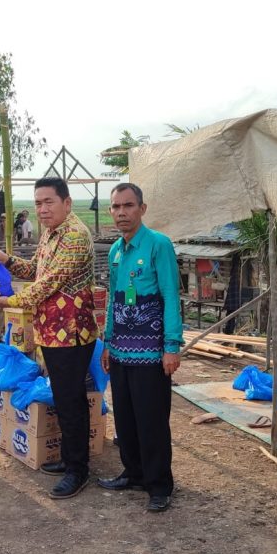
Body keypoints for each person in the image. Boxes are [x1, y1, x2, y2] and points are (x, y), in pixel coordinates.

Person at [0, 177, 99, 499]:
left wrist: (8, 301)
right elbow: (36, 270)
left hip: (72, 333)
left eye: (49, 202)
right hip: (51, 332)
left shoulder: (75, 236)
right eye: (38, 203)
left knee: (71, 399)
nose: (43, 209)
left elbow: (47, 284)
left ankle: (78, 469)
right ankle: (69, 459)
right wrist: (5, 259)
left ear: (67, 203)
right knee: (63, 398)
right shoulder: (50, 233)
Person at [98, 183, 183, 512]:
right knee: (126, 417)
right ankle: (133, 473)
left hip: (151, 354)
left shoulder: (158, 245)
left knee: (152, 419)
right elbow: (113, 299)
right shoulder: (115, 251)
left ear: (142, 209)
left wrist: (171, 346)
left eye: (128, 206)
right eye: (116, 207)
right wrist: (107, 341)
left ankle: (159, 484)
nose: (121, 212)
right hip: (120, 351)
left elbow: (171, 296)